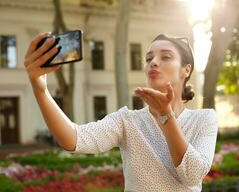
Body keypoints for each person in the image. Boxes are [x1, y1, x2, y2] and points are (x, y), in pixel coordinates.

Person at [24, 32, 218, 192]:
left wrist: (166, 115)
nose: (153, 62)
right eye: (149, 58)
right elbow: (74, 139)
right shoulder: (127, 120)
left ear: (186, 70)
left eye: (165, 57)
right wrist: (41, 90)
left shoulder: (204, 119)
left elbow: (192, 175)